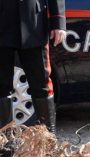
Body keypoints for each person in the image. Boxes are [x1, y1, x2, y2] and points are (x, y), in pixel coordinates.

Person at [0, 0, 66, 133]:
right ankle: (4, 148)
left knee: (42, 85)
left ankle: (48, 145)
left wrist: (58, 22)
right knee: (1, 88)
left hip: (34, 23)